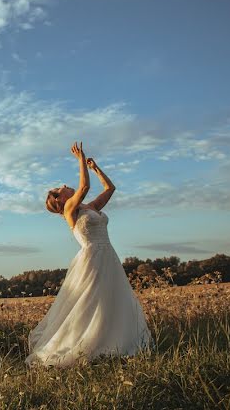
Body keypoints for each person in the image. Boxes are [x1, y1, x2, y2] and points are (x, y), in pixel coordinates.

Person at [26, 142, 151, 368]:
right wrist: (80, 160)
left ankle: (113, 344)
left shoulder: (90, 207)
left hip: (108, 256)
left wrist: (96, 168)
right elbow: (83, 187)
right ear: (59, 199)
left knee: (113, 300)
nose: (65, 185)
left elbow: (110, 189)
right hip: (91, 259)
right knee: (91, 303)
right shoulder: (69, 210)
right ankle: (85, 346)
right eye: (60, 188)